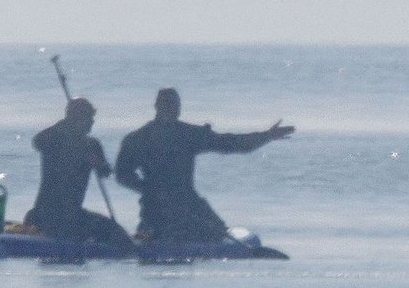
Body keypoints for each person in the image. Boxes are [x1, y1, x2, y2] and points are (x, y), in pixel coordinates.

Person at [115, 87, 293, 242]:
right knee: (214, 233)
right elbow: (122, 175)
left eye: (174, 105)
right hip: (158, 208)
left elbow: (230, 143)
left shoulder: (187, 134)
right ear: (157, 107)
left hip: (186, 205)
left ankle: (153, 232)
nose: (172, 109)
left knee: (217, 232)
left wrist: (266, 136)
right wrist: (151, 191)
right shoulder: (138, 139)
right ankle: (149, 233)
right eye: (168, 104)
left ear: (178, 109)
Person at [24, 97, 135, 253]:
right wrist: (67, 127)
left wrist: (99, 163)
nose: (92, 122)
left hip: (73, 214)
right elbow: (37, 141)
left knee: (117, 233)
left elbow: (105, 172)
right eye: (88, 118)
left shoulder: (91, 145)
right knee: (119, 238)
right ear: (76, 118)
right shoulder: (54, 138)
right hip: (46, 213)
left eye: (92, 118)